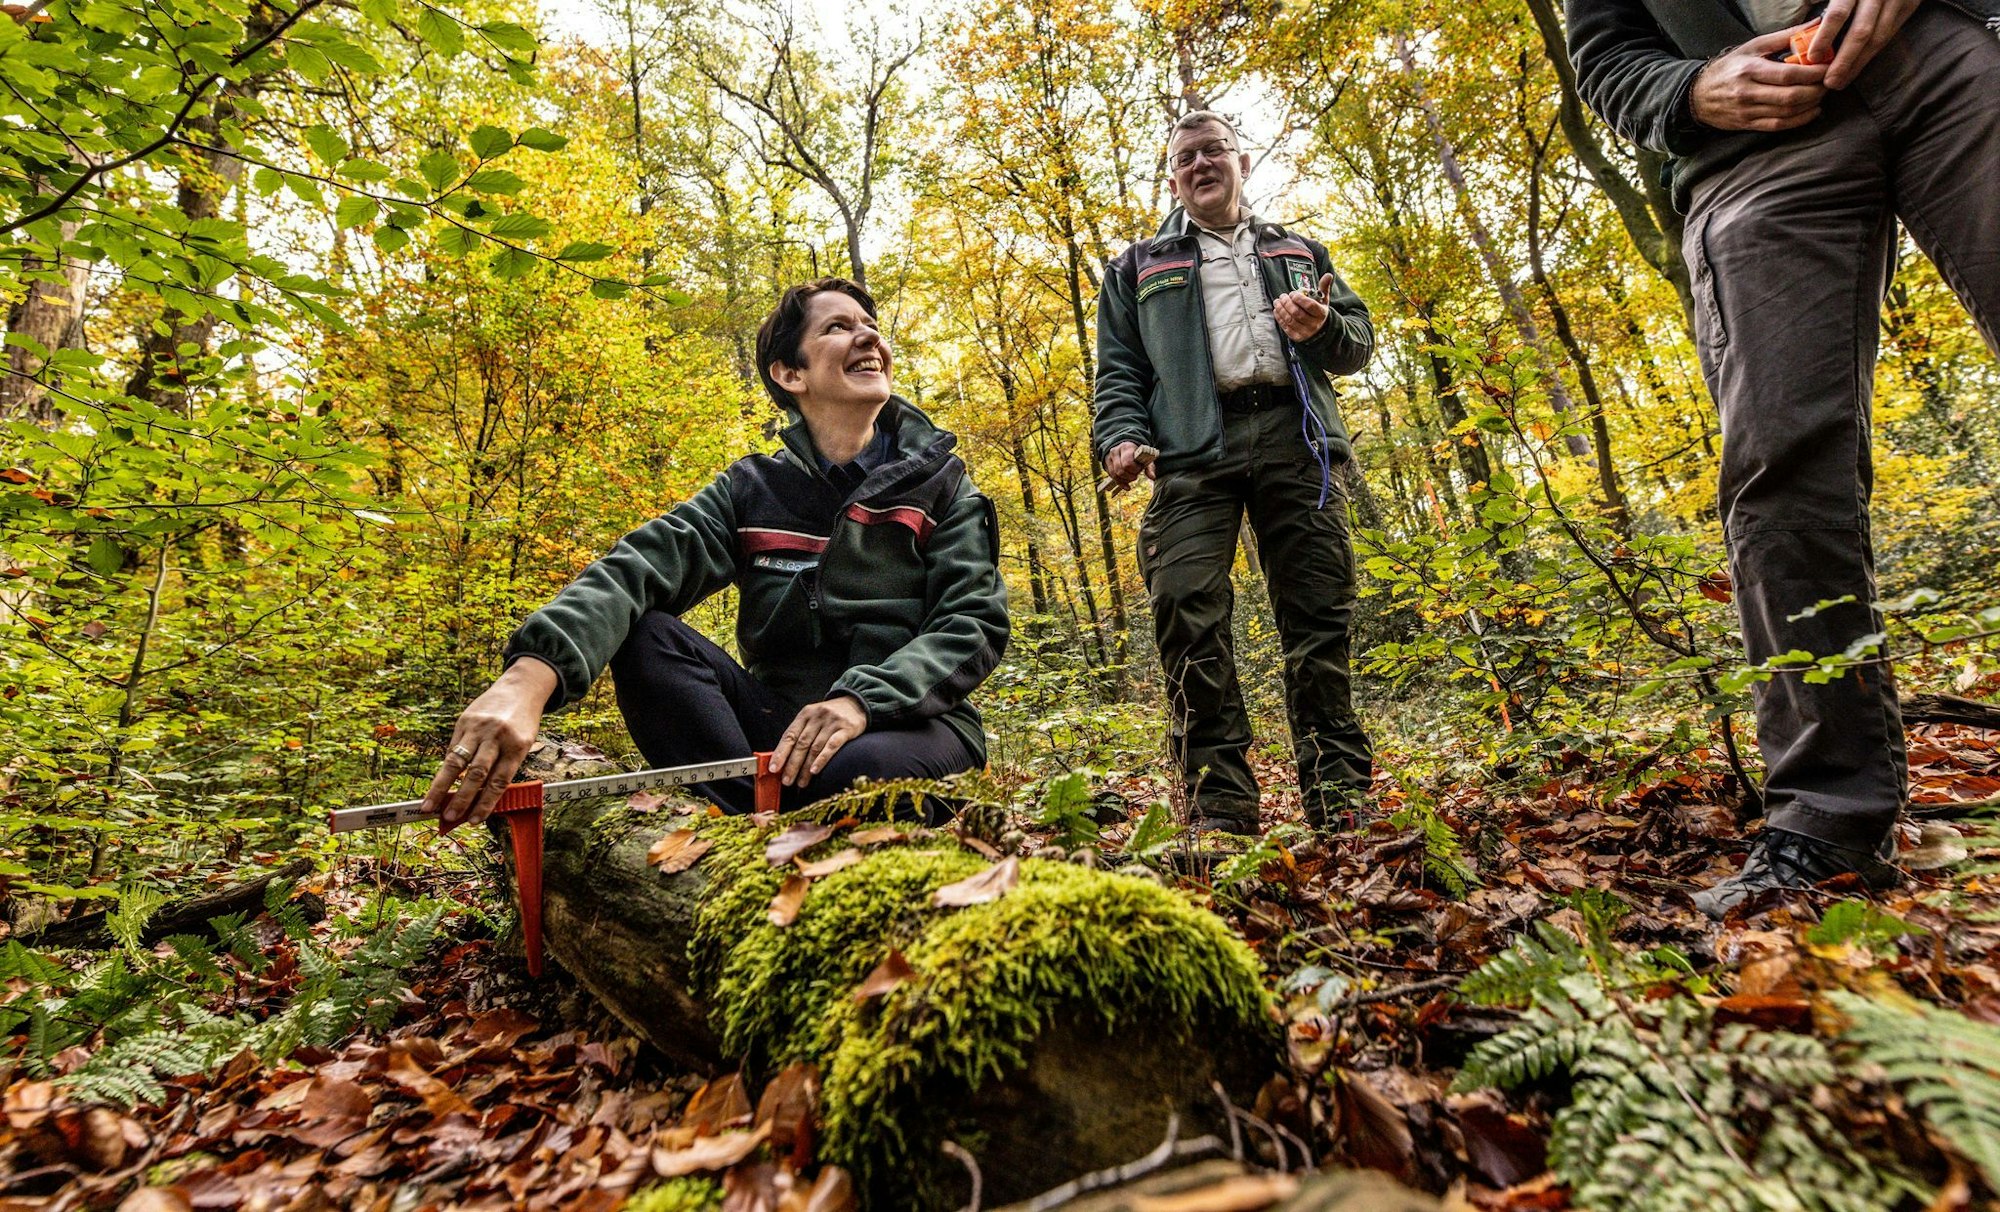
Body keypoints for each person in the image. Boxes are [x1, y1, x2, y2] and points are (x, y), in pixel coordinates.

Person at [1567, 0, 2000, 915]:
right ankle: (1827, 825)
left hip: (1945, 47)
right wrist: (1689, 90)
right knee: (1775, 467)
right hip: (1752, 151)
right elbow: (1605, 54)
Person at [421, 278, 1009, 832]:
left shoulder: (943, 486)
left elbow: (973, 624)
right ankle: (748, 834)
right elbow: (638, 569)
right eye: (836, 327)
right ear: (789, 373)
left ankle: (790, 821)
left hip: (911, 725)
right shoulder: (751, 490)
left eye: (869, 324)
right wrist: (527, 679)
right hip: (778, 732)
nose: (868, 337)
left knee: (855, 775)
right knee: (647, 636)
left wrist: (860, 700)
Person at [1094, 110, 1377, 836]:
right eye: (1185, 157)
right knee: (1185, 609)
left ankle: (1339, 798)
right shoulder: (1137, 266)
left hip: (1297, 438)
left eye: (1212, 150)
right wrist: (1123, 437)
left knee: (1317, 614)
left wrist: (1323, 329)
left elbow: (1356, 346)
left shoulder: (1300, 249)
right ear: (1173, 178)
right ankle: (1220, 808)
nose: (1200, 165)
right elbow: (1119, 372)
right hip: (1191, 451)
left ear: (1240, 161)